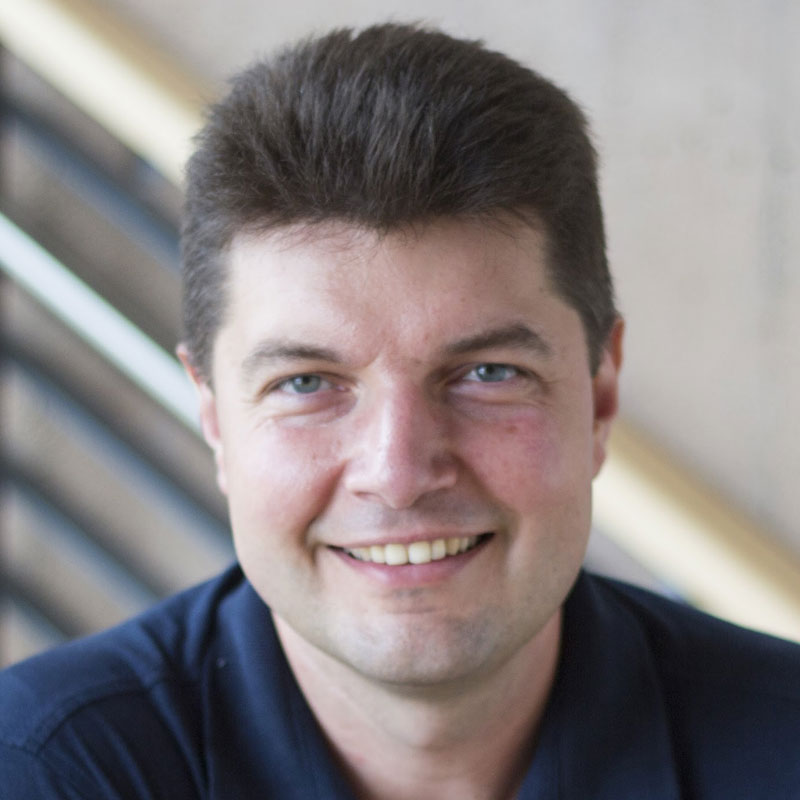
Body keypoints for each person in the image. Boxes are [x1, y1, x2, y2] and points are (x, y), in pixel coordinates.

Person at [1, 22, 799, 800]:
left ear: (599, 394)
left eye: (488, 372)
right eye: (307, 384)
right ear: (214, 416)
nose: (398, 472)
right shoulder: (44, 771)